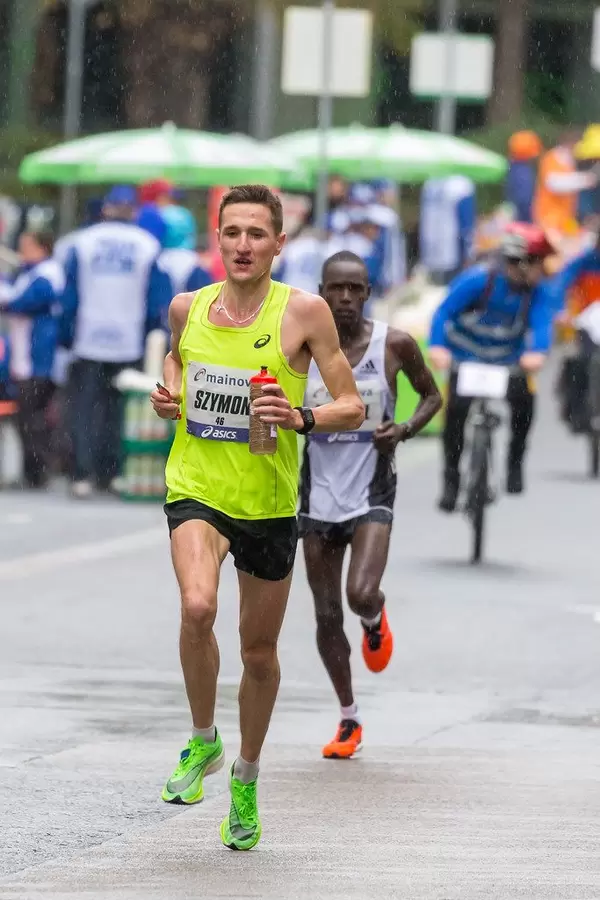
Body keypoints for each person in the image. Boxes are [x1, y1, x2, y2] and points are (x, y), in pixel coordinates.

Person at [150, 184, 364, 851]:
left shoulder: (303, 314)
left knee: (259, 652)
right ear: (218, 239)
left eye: (256, 234)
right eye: (232, 232)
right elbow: (176, 358)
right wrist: (170, 393)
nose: (243, 245)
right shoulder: (189, 307)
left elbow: (352, 406)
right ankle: (201, 740)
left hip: (269, 502)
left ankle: (244, 776)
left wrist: (300, 415)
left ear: (278, 243)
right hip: (197, 486)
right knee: (195, 606)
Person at [299, 251, 441, 759]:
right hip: (316, 494)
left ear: (367, 292)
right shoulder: (305, 349)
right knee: (326, 611)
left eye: (354, 289)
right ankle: (348, 718)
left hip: (371, 490)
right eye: (335, 288)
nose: (344, 299)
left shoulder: (394, 345)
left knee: (360, 593)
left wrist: (402, 430)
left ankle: (375, 618)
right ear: (321, 291)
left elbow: (432, 397)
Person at [429, 223, 556, 512]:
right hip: (467, 357)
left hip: (507, 362)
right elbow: (444, 311)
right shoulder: (478, 279)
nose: (542, 270)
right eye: (538, 263)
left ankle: (515, 462)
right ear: (522, 263)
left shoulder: (536, 291)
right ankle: (451, 479)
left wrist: (538, 352)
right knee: (455, 415)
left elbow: (542, 323)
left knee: (525, 401)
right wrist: (437, 347)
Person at [60, 185, 171, 498]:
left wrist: (66, 334)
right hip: (128, 339)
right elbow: (156, 299)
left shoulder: (82, 242)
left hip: (88, 337)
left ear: (106, 208)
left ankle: (83, 473)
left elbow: (69, 296)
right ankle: (112, 474)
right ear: (134, 211)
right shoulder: (147, 245)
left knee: (83, 410)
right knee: (119, 411)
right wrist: (152, 332)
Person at [0, 231, 65, 487]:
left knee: (33, 417)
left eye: (27, 247)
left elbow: (23, 303)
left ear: (43, 248)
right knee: (27, 416)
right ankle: (33, 470)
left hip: (39, 358)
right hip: (26, 356)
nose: (22, 251)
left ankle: (37, 471)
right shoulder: (28, 273)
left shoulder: (47, 274)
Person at [551, 232, 600, 432]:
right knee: (581, 361)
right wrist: (559, 310)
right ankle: (576, 410)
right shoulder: (585, 262)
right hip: (587, 323)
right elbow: (560, 285)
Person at [420, 175, 477, 285]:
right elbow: (466, 226)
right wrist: (468, 253)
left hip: (430, 252)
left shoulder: (430, 184)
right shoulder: (462, 185)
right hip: (453, 253)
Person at [505, 131, 543, 223]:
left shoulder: (513, 168)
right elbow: (524, 201)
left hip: (516, 218)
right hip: (523, 221)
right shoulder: (523, 172)